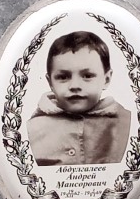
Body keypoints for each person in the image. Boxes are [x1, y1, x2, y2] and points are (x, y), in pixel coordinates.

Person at [26, 30, 131, 165]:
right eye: (63, 77)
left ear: (106, 79)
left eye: (87, 76)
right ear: (50, 82)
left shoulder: (126, 123)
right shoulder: (32, 130)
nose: (75, 86)